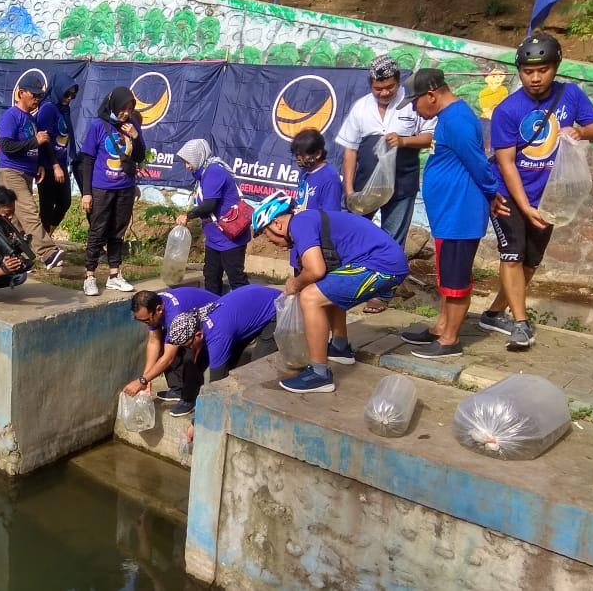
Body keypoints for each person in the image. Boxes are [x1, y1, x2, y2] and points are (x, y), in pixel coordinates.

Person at [480, 33, 593, 350]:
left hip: (547, 197)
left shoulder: (571, 95)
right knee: (511, 256)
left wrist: (580, 130)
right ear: (519, 71)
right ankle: (520, 324)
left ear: (556, 67)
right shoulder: (507, 110)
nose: (535, 78)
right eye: (528, 71)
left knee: (530, 263)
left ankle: (494, 312)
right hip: (508, 195)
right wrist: (524, 207)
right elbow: (506, 164)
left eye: (543, 70)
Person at [252, 190, 409, 394]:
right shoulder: (306, 221)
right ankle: (339, 346)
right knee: (325, 289)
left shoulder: (300, 224)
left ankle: (319, 375)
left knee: (310, 298)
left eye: (265, 233)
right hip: (384, 262)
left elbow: (316, 269)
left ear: (277, 224)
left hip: (382, 265)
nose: (269, 241)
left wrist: (295, 283)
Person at [395, 69, 498, 358]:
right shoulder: (448, 118)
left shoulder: (459, 120)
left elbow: (478, 164)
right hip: (448, 215)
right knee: (446, 276)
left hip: (459, 214)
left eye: (415, 102)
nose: (414, 109)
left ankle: (450, 339)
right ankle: (442, 326)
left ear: (431, 95)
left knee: (456, 280)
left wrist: (492, 193)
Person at [335, 55, 435, 313]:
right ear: (370, 84)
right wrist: (349, 190)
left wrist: (404, 141)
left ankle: (382, 293)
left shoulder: (412, 103)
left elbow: (428, 137)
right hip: (365, 187)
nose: (385, 92)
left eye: (389, 86)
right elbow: (350, 150)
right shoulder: (361, 107)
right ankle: (350, 283)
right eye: (378, 88)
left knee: (392, 239)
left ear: (398, 81)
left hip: (402, 185)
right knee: (355, 234)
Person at [162, 284, 280, 415]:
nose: (187, 348)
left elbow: (217, 384)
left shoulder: (218, 336)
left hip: (274, 308)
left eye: (187, 344)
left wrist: (199, 421)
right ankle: (189, 400)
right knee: (197, 357)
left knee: (257, 367)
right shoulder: (198, 318)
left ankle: (257, 411)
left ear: (198, 335)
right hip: (249, 307)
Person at [78, 87, 146, 296]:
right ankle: (90, 276)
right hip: (101, 188)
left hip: (124, 188)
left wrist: (136, 137)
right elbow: (87, 160)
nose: (126, 113)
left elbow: (140, 156)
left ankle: (114, 275)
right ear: (114, 105)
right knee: (98, 231)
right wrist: (87, 192)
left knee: (118, 231)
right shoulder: (98, 125)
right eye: (123, 108)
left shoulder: (132, 125)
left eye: (130, 108)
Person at [0, 76, 66, 270]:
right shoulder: (12, 115)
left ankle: (17, 257)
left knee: (16, 220)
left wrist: (38, 166)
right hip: (11, 172)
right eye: (34, 95)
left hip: (25, 173)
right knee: (29, 211)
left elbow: (33, 147)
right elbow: (7, 146)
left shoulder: (31, 118)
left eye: (40, 96)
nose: (37, 99)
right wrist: (35, 141)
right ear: (21, 93)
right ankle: (48, 253)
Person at [122, 288, 219, 418]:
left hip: (214, 322)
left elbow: (168, 357)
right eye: (141, 321)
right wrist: (147, 378)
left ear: (159, 310)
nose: (145, 324)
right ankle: (177, 389)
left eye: (146, 320)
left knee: (189, 350)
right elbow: (154, 342)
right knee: (165, 340)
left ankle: (189, 399)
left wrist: (142, 381)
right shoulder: (155, 307)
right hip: (189, 321)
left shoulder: (174, 314)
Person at [174, 139, 251, 295]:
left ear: (198, 156)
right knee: (210, 276)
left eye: (188, 161)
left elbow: (210, 205)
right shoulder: (203, 173)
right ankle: (212, 311)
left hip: (230, 238)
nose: (187, 166)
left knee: (236, 278)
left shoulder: (214, 171)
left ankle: (249, 310)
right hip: (215, 237)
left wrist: (188, 216)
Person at [35, 73, 78, 234]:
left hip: (60, 164)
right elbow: (44, 139)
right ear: (58, 90)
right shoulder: (48, 109)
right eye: (67, 94)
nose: (69, 98)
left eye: (73, 95)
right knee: (47, 205)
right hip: (47, 165)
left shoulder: (63, 110)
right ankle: (43, 246)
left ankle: (46, 236)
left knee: (65, 202)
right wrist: (54, 165)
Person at [292, 129, 343, 212]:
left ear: (318, 154)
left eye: (303, 155)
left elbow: (331, 215)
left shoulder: (330, 179)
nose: (299, 158)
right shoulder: (304, 172)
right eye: (297, 155)